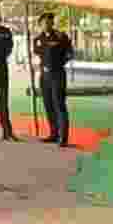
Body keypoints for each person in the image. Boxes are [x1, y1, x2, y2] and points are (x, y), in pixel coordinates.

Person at [33, 12, 73, 147]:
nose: (47, 24)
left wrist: (58, 64)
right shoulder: (37, 39)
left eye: (50, 21)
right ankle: (54, 133)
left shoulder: (61, 37)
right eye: (45, 22)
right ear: (40, 24)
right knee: (48, 105)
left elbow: (69, 54)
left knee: (59, 105)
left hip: (57, 75)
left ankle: (63, 137)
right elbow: (37, 54)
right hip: (44, 77)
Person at [0, 6, 17, 141]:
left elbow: (9, 48)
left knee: (3, 103)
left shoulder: (5, 31)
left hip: (1, 69)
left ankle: (7, 132)